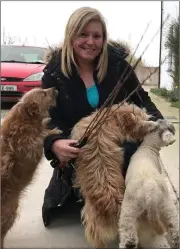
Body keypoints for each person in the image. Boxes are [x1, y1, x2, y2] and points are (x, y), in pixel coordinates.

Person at [41, 6, 164, 227]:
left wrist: (158, 125)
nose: (91, 42)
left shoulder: (118, 66)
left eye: (97, 36)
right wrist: (54, 143)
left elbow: (142, 101)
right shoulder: (55, 73)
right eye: (83, 34)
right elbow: (47, 118)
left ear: (104, 38)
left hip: (119, 145)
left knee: (128, 154)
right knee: (97, 204)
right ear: (71, 36)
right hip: (80, 149)